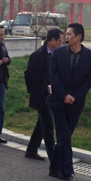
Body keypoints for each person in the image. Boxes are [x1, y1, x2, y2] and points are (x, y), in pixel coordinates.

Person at [47, 23, 91, 181]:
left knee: (65, 136)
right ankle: (69, 173)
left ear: (79, 37)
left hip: (76, 102)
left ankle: (54, 167)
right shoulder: (58, 53)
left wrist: (74, 96)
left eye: (69, 34)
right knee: (64, 135)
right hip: (58, 100)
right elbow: (53, 75)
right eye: (66, 34)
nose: (66, 37)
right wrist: (64, 94)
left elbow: (88, 81)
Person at [24, 28, 64, 161]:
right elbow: (28, 75)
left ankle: (31, 150)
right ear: (52, 40)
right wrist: (33, 91)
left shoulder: (56, 54)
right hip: (41, 96)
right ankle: (54, 160)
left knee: (41, 124)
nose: (61, 44)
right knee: (48, 126)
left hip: (52, 96)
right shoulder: (38, 55)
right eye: (60, 41)